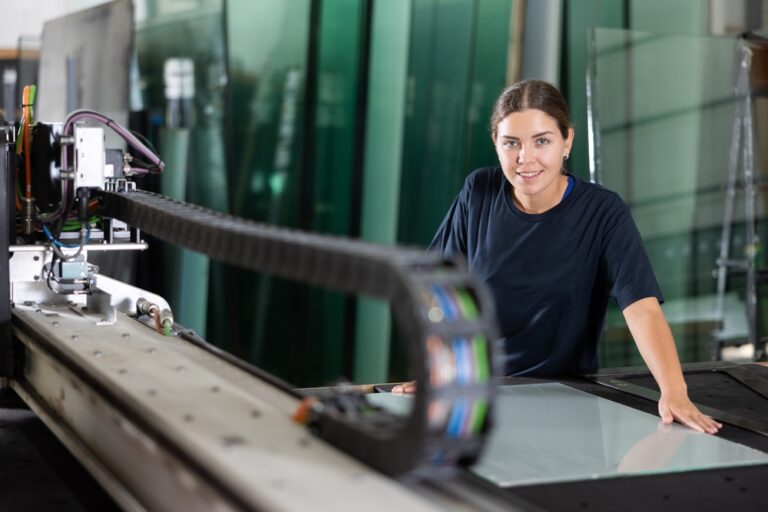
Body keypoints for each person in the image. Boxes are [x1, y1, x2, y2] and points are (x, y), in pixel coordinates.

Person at [393, 79, 721, 435]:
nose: (525, 158)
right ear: (496, 144)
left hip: (567, 403)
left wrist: (674, 391)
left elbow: (641, 308)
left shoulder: (603, 212)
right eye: (511, 143)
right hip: (479, 398)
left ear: (567, 141)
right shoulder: (479, 192)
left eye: (542, 141)